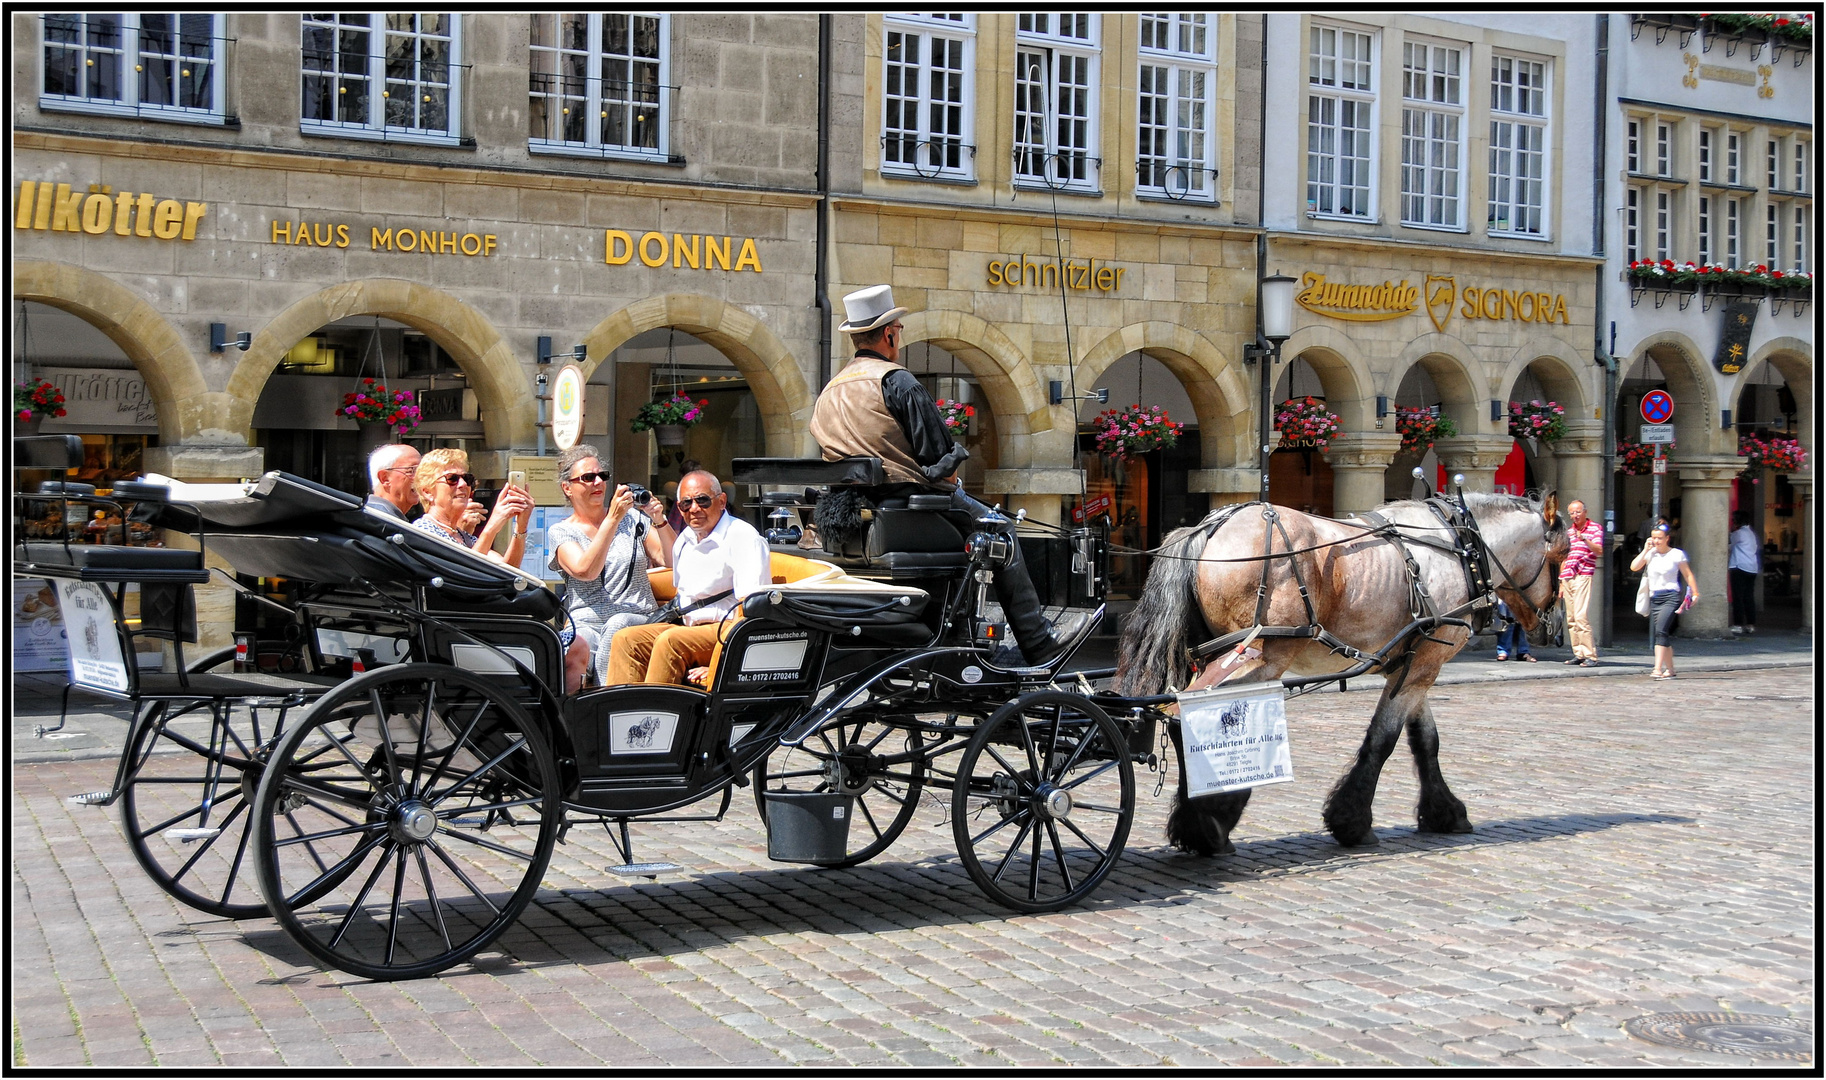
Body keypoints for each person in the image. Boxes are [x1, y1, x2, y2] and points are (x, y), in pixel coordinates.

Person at [809, 284, 1069, 667]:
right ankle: (1038, 642)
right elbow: (941, 461)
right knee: (1002, 531)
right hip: (908, 505)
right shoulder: (896, 381)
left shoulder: (831, 390)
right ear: (889, 334)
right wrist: (953, 484)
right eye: (898, 328)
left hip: (851, 512)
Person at [411, 448, 593, 692]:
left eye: (468, 479)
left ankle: (557, 715)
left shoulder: (463, 536)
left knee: (577, 645)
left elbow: (508, 571)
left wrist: (521, 525)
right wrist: (493, 525)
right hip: (466, 630)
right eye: (452, 479)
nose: (463, 485)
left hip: (486, 625)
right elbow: (463, 573)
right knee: (570, 646)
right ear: (427, 492)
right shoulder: (424, 531)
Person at [605, 470, 770, 687]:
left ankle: (654, 718)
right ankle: (622, 713)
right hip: (688, 628)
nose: (694, 509)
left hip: (724, 630)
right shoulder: (685, 539)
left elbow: (751, 612)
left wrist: (719, 661)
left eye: (702, 500)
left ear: (721, 501)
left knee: (670, 642)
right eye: (686, 503)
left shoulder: (743, 538)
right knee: (625, 639)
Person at [548, 443, 675, 687]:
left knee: (617, 626)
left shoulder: (633, 519)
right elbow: (585, 570)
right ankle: (568, 717)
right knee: (572, 644)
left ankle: (606, 705)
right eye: (587, 477)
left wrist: (659, 521)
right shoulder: (561, 531)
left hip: (638, 617)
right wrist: (613, 519)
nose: (598, 483)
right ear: (567, 488)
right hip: (587, 622)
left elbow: (672, 561)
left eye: (602, 476)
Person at [1631, 522, 1699, 679]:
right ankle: (1671, 669)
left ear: (1667, 538)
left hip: (1671, 596)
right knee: (1663, 633)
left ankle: (1657, 668)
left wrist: (1694, 592)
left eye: (1659, 538)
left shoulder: (1676, 554)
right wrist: (1646, 549)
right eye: (1654, 537)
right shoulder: (1651, 553)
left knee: (1660, 630)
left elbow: (1688, 574)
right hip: (1655, 596)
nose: (1656, 541)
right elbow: (1634, 567)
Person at [1558, 499, 1605, 668]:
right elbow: (1565, 557)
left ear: (1585, 512)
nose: (1575, 515)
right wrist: (1561, 583)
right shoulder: (1569, 532)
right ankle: (1578, 653)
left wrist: (1585, 539)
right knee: (1571, 618)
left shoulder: (1595, 528)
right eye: (1572, 513)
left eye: (1578, 512)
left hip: (1583, 574)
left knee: (1580, 616)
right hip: (1568, 575)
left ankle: (1590, 655)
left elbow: (1599, 550)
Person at [364, 443, 421, 521]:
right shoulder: (378, 522)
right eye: (412, 470)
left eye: (422, 471)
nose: (421, 478)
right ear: (385, 478)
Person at [1728, 510, 1760, 635]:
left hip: (1739, 566)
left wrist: (1731, 531)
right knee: (1748, 597)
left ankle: (1738, 624)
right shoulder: (1751, 533)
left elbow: (1729, 545)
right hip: (1752, 567)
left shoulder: (1739, 533)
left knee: (1738, 597)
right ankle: (1751, 624)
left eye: (1733, 519)